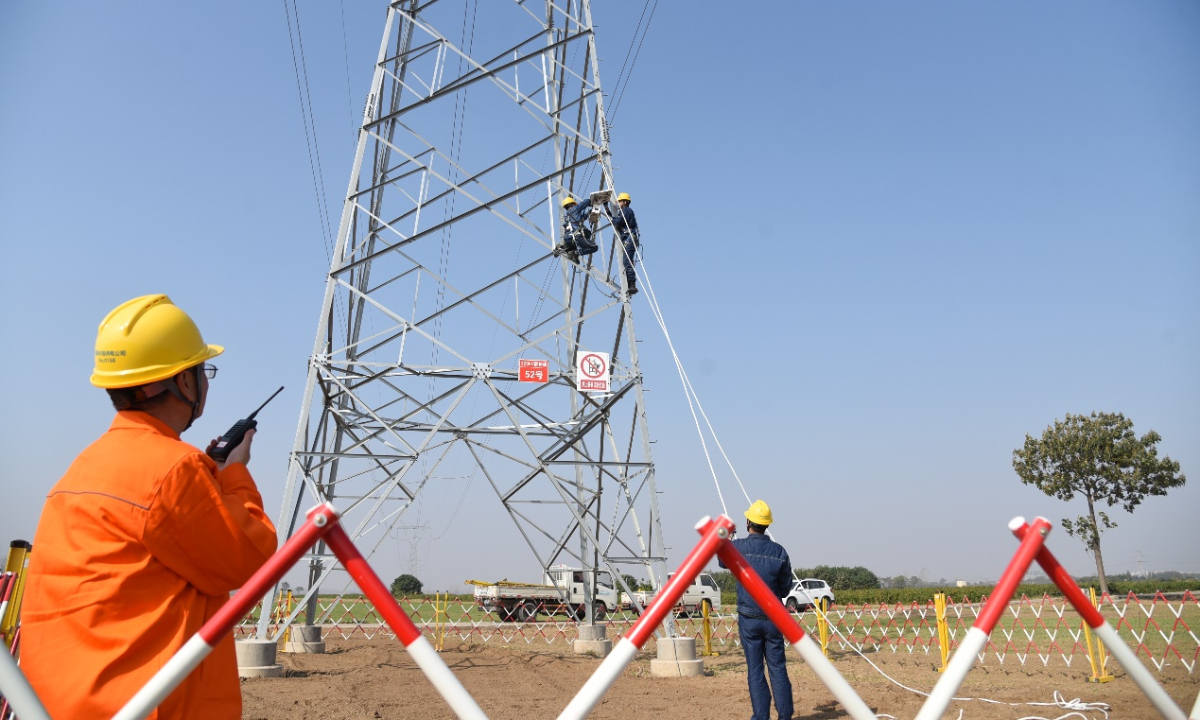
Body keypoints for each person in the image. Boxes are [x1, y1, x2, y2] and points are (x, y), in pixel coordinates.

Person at [20, 294, 278, 720]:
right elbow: (249, 559)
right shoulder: (176, 468)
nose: (205, 381)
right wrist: (234, 473)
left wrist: (209, 474)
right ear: (185, 383)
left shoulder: (82, 468)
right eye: (202, 370)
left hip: (58, 703)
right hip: (139, 707)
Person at [720, 500, 794, 720]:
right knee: (777, 667)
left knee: (755, 670)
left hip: (749, 619)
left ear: (748, 521)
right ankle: (785, 716)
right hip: (774, 619)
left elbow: (723, 561)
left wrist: (728, 538)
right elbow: (784, 587)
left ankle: (761, 717)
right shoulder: (779, 551)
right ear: (767, 525)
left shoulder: (739, 547)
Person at [608, 191, 640, 296]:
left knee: (627, 262)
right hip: (629, 239)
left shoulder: (626, 210)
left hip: (629, 239)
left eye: (620, 201)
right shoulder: (625, 211)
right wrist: (607, 208)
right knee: (626, 262)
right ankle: (629, 284)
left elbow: (619, 221)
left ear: (625, 202)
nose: (618, 203)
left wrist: (614, 220)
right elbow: (616, 220)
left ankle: (632, 284)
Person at [554, 195, 599, 263]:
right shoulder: (574, 209)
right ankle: (576, 253)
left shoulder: (568, 217)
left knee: (575, 246)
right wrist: (592, 200)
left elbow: (581, 218)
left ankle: (563, 248)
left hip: (568, 239)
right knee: (594, 247)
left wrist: (589, 212)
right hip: (576, 237)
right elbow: (584, 203)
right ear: (572, 204)